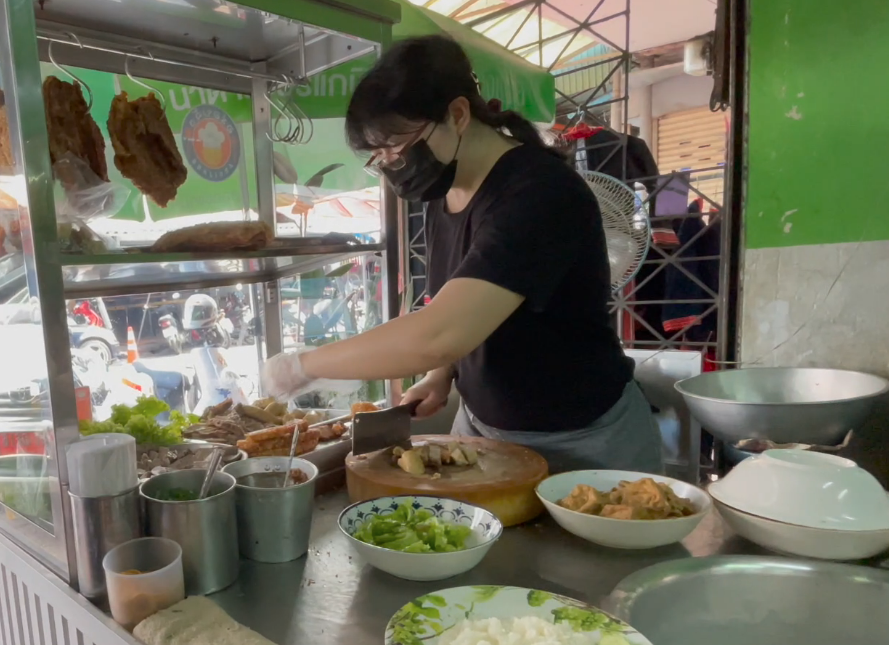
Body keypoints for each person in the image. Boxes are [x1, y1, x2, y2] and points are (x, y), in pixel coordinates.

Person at [261, 35, 661, 474]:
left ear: (457, 114)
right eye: (379, 155)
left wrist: (304, 365)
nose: (391, 163)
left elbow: (440, 332)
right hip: (485, 431)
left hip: (583, 441)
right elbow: (468, 309)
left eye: (396, 145)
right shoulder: (445, 195)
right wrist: (442, 374)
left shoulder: (539, 194)